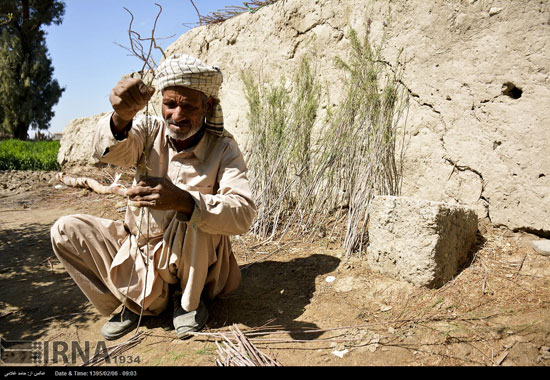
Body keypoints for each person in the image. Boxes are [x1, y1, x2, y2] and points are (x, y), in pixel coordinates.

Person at [50, 54, 256, 340]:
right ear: (160, 101)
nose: (177, 115)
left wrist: (185, 201)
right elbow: (109, 152)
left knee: (194, 213)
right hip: (143, 250)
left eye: (189, 106)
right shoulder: (148, 131)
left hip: (196, 263)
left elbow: (243, 213)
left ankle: (188, 303)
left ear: (207, 105)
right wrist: (121, 117)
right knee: (65, 231)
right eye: (170, 104)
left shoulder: (223, 148)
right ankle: (134, 302)